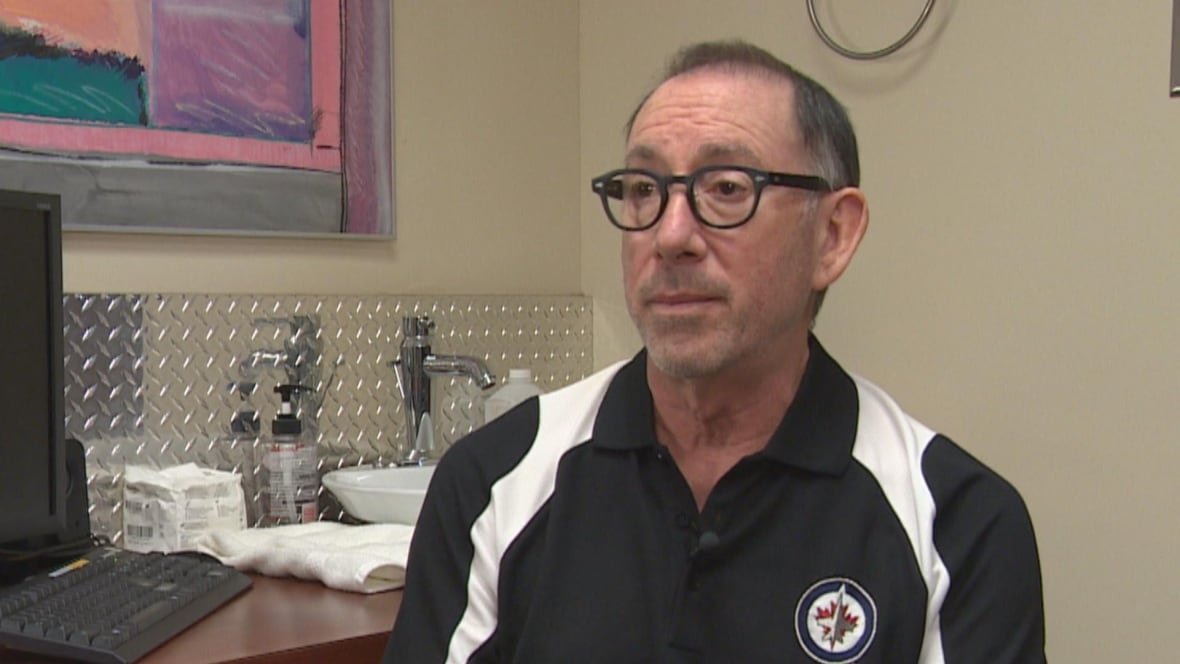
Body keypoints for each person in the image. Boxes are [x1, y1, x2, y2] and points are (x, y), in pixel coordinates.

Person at [385, 40, 1045, 663]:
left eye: (727, 189)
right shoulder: (493, 484)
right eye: (643, 190)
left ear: (834, 235)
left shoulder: (956, 524)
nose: (670, 236)